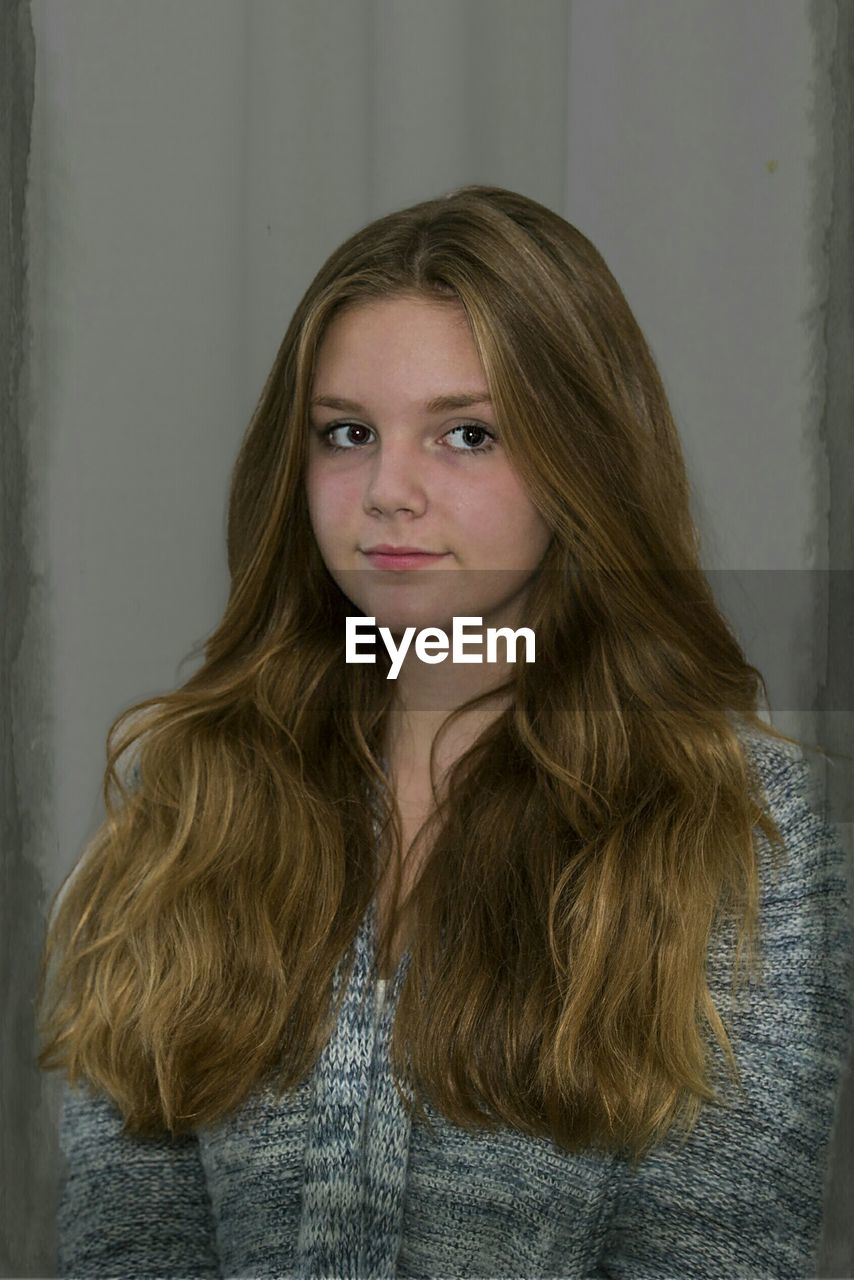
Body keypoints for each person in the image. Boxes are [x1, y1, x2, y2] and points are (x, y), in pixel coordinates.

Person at [36, 184, 852, 1280]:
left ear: (583, 460)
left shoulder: (745, 832)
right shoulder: (187, 799)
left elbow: (712, 1252)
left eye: (466, 434)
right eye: (346, 433)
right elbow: (127, 1242)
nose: (387, 491)